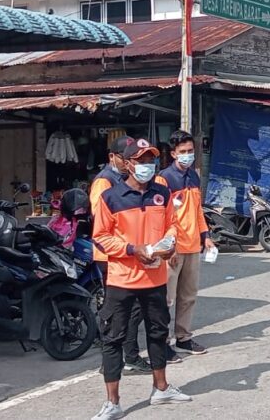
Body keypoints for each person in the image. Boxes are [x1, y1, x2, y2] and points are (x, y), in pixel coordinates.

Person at [92, 138, 192, 420]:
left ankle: (161, 388)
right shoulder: (110, 197)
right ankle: (113, 402)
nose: (147, 165)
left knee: (158, 333)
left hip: (155, 279)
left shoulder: (162, 193)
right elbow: (100, 238)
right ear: (127, 164)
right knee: (113, 338)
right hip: (122, 280)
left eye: (151, 160)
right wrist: (132, 250)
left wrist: (170, 245)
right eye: (141, 160)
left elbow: (172, 225)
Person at [91, 136, 153, 375]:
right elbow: (103, 222)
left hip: (130, 253)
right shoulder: (104, 182)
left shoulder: (125, 181)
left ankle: (128, 354)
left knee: (134, 308)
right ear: (113, 158)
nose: (129, 163)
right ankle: (120, 357)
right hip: (111, 255)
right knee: (121, 310)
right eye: (125, 158)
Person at [160, 130, 214, 363]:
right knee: (167, 298)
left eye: (190, 151)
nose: (187, 155)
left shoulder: (194, 176)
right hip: (173, 248)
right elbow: (159, 216)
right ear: (173, 153)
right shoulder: (164, 179)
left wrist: (206, 236)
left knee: (188, 296)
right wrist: (168, 247)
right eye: (182, 152)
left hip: (193, 246)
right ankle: (162, 343)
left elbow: (197, 211)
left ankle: (183, 337)